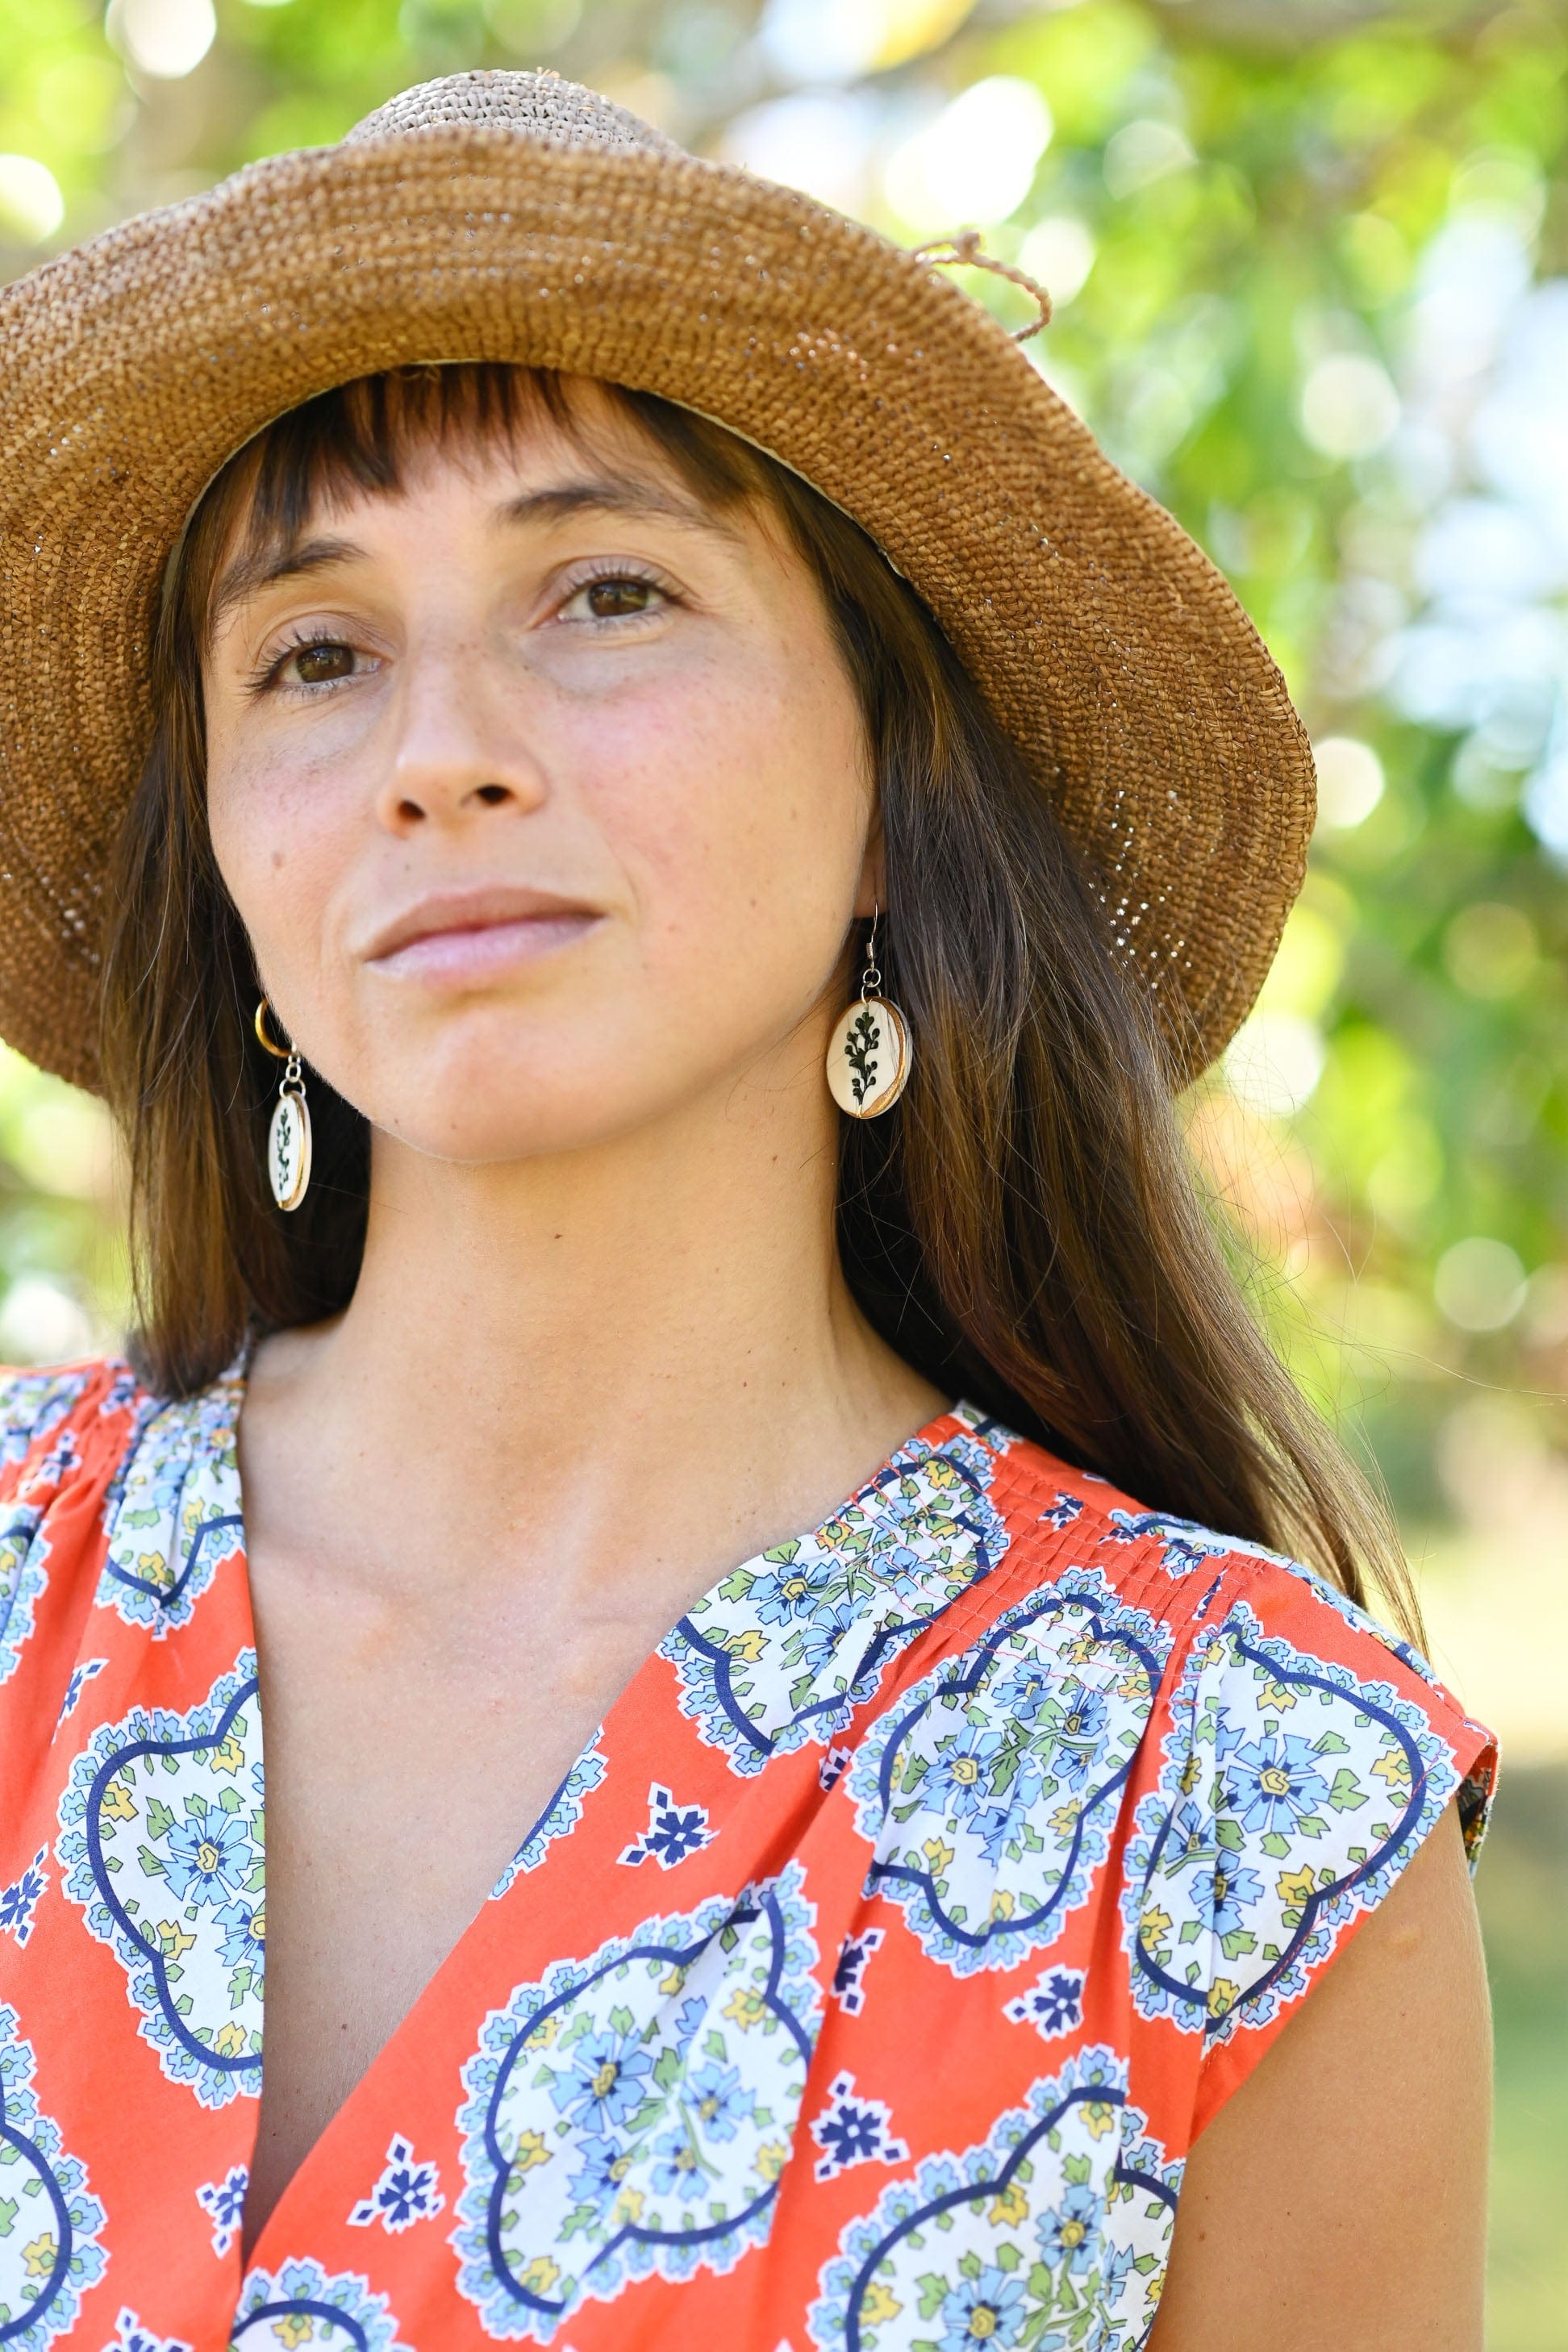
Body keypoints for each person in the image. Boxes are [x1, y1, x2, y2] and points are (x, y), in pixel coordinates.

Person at [0, 69, 1494, 2352]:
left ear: (897, 795)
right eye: (316, 650)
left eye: (607, 592)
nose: (441, 744)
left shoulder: (1248, 1808)